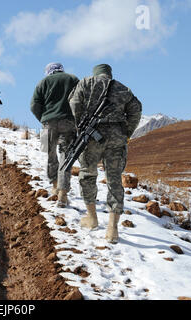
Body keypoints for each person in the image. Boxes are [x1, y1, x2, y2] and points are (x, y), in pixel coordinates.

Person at [68, 64, 142, 244]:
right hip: (117, 138)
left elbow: (74, 103)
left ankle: (92, 217)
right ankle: (112, 228)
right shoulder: (123, 88)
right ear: (110, 74)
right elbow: (136, 110)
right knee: (115, 179)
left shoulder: (85, 83)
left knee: (87, 174)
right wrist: (127, 133)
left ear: (95, 74)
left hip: (91, 138)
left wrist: (81, 124)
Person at [31, 63, 79, 208]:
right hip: (69, 122)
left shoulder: (43, 82)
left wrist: (43, 119)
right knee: (66, 157)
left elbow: (34, 105)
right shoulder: (73, 79)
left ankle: (54, 186)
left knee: (50, 154)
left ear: (48, 72)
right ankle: (63, 194)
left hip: (48, 123)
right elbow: (81, 99)